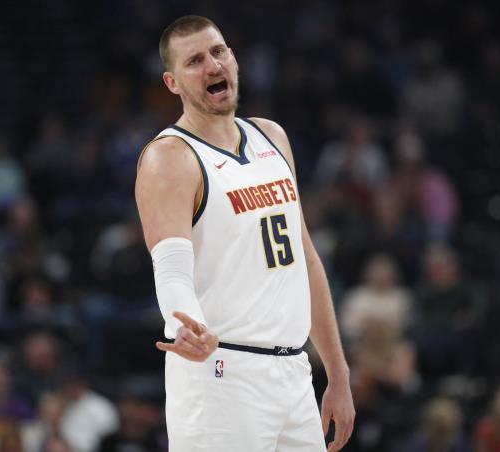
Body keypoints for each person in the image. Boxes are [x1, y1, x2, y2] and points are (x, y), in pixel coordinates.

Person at [135, 15, 355, 452]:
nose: (212, 66)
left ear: (234, 59)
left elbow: (305, 260)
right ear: (172, 82)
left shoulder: (271, 137)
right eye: (194, 61)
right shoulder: (170, 157)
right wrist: (186, 324)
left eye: (218, 52)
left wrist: (338, 373)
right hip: (222, 372)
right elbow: (171, 269)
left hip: (293, 372)